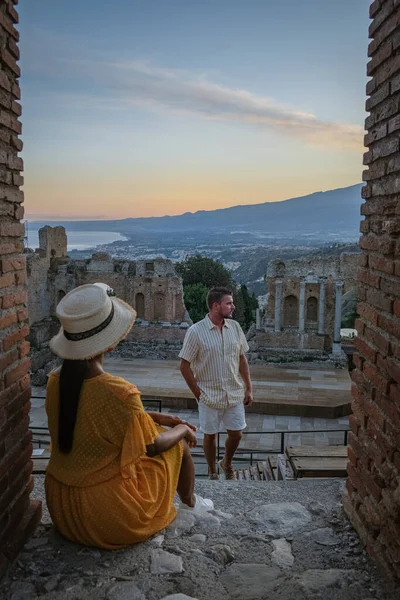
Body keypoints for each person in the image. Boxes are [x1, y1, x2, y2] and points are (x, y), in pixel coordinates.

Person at [45, 283, 211, 550]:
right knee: (177, 447)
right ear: (110, 343)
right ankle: (191, 505)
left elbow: (94, 414)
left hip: (64, 508)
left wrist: (158, 417)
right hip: (109, 515)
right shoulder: (119, 392)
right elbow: (153, 447)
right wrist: (184, 431)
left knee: (160, 433)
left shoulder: (55, 381)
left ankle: (190, 503)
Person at [179, 287, 253, 480]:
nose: (233, 306)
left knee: (236, 434)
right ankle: (212, 471)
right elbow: (184, 365)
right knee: (210, 435)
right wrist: (197, 393)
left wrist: (249, 388)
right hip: (208, 394)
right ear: (215, 306)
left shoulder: (235, 327)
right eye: (229, 303)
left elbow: (242, 359)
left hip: (234, 392)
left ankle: (226, 462)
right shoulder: (195, 332)